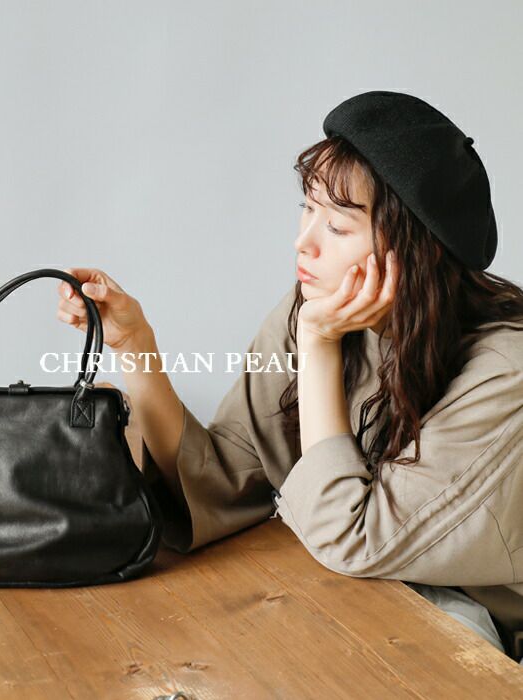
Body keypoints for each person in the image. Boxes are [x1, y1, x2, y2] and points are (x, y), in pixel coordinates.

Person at [56, 91, 523, 663]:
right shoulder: (315, 311)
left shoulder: (504, 373)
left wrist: (319, 346)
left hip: (467, 634)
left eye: (338, 226)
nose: (304, 241)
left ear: (414, 250)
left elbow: (354, 539)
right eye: (308, 208)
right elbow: (224, 475)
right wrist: (135, 344)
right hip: (346, 596)